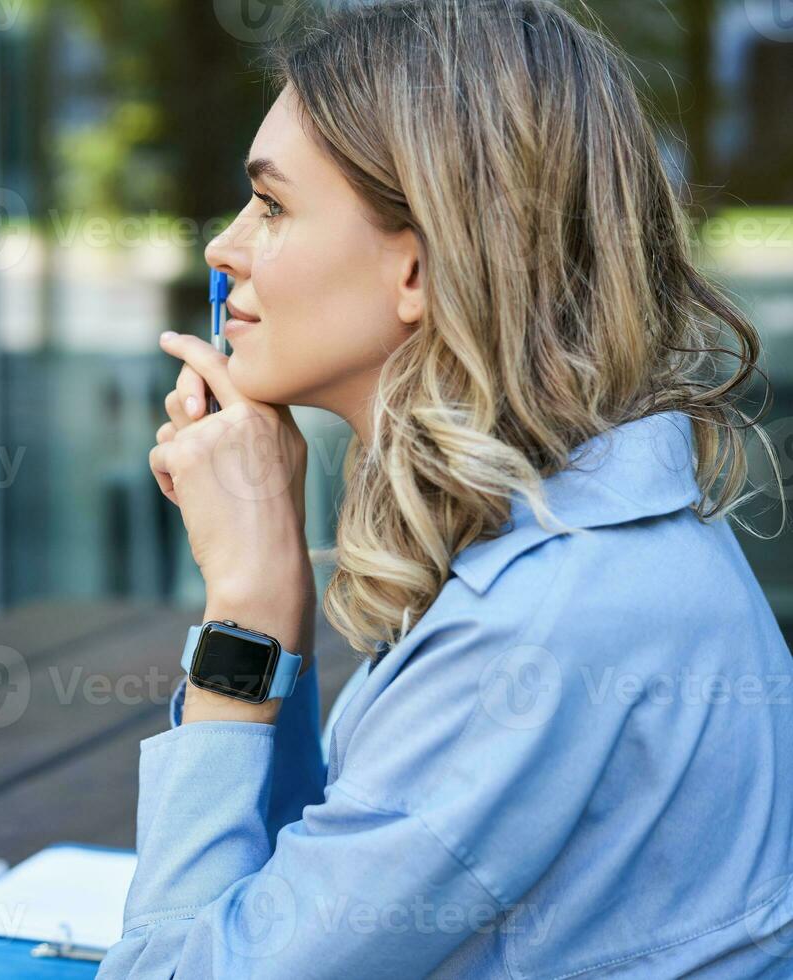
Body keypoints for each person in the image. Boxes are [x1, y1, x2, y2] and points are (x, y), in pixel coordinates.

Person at [104, 0, 793, 976]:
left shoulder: (537, 628)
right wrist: (276, 614)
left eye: (272, 206)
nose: (224, 247)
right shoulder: (575, 532)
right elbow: (311, 878)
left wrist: (247, 614)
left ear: (420, 264)